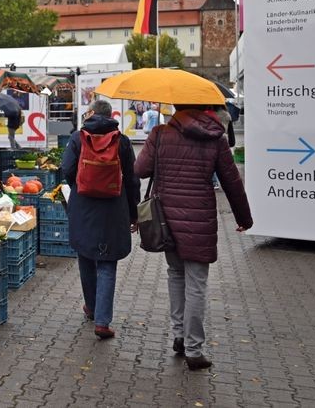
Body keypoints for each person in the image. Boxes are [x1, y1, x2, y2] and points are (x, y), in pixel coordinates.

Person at [135, 105, 253, 371]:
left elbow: (139, 170)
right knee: (196, 283)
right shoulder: (216, 139)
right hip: (200, 223)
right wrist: (244, 219)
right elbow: (232, 182)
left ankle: (179, 335)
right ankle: (194, 349)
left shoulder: (161, 133)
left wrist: (156, 151)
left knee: (175, 275)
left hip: (166, 220)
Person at [59, 99, 141, 340]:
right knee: (107, 262)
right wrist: (133, 212)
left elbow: (66, 168)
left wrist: (80, 186)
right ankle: (102, 322)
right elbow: (132, 179)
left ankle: (91, 307)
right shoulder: (122, 141)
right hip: (113, 208)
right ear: (111, 115)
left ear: (92, 114)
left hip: (83, 206)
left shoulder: (77, 137)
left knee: (85, 254)